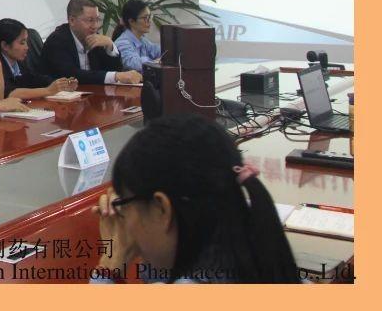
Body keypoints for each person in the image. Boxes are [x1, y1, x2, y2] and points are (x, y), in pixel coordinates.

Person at [91, 114, 300, 283]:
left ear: (161, 209)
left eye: (124, 207)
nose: (124, 223)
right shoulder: (255, 257)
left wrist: (110, 264)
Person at [42, 0, 142, 85]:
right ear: (72, 20)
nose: (95, 26)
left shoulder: (95, 38)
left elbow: (114, 70)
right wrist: (115, 76)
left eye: (97, 20)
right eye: (90, 20)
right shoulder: (57, 41)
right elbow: (72, 76)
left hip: (92, 94)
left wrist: (110, 47)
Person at [0, 18, 78, 99]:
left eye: (26, 42)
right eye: (22, 43)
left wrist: (62, 84)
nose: (27, 47)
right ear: (5, 45)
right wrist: (48, 91)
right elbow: (9, 93)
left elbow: (34, 79)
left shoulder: (17, 62)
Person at [112, 0, 162, 73]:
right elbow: (135, 64)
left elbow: (158, 50)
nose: (149, 21)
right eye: (145, 18)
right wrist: (155, 62)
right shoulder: (122, 43)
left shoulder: (142, 40)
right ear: (131, 21)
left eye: (150, 17)